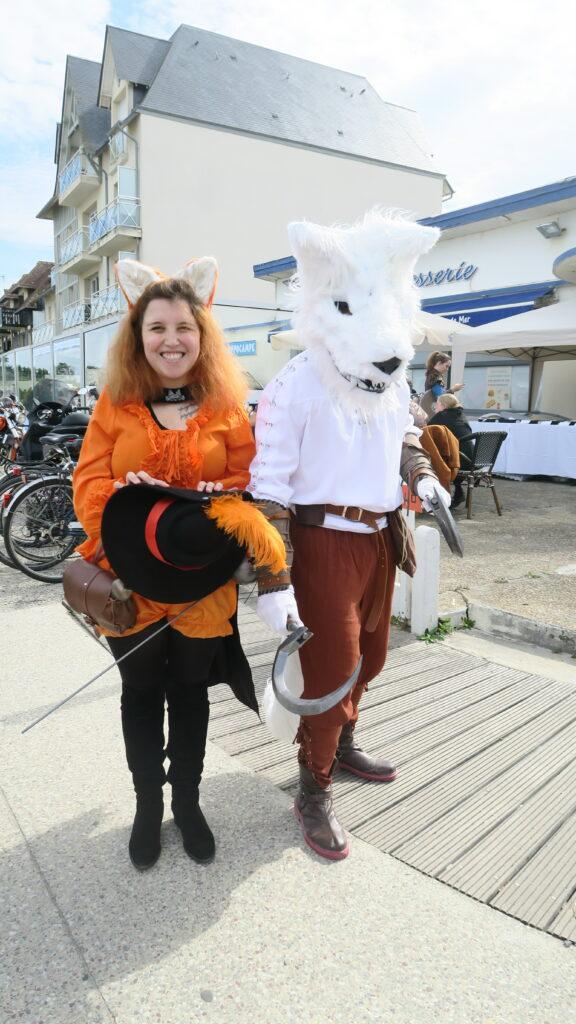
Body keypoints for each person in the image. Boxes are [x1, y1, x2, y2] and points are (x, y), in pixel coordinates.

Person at [249, 209, 450, 861]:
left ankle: (342, 742)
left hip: (379, 540)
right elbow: (270, 486)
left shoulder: (389, 383)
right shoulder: (295, 384)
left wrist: (422, 479)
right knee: (332, 668)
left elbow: (408, 437)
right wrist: (273, 579)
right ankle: (313, 787)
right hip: (322, 544)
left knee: (372, 656)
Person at [72, 257, 262, 871]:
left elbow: (246, 479)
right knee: (139, 691)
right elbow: (87, 481)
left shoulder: (228, 405)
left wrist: (215, 503)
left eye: (184, 327)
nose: (171, 340)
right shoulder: (115, 403)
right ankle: (147, 807)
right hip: (132, 577)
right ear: (138, 335)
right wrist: (127, 495)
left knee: (190, 692)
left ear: (202, 334)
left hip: (202, 582)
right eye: (157, 328)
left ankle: (188, 802)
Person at [428, 393, 474, 506]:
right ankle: (458, 492)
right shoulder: (461, 415)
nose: (436, 408)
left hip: (458, 461)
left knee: (431, 462)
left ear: (443, 406)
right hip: (472, 459)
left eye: (437, 405)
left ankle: (438, 498)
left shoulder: (442, 416)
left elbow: (426, 430)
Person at [419, 351, 464, 417]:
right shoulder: (435, 377)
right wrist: (452, 389)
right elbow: (441, 397)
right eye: (446, 366)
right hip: (435, 413)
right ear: (439, 363)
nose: (447, 369)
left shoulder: (432, 375)